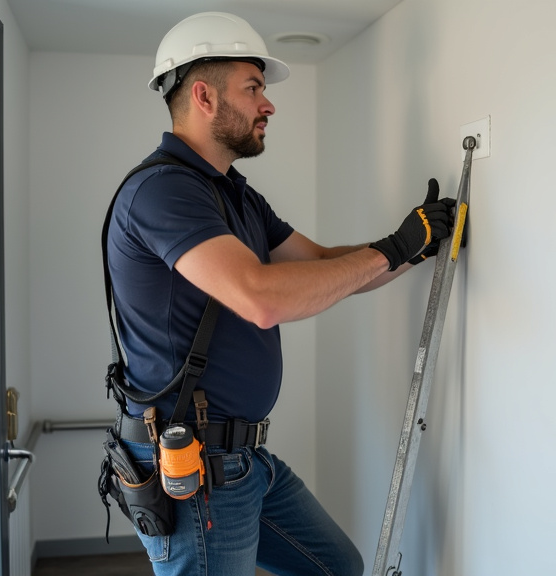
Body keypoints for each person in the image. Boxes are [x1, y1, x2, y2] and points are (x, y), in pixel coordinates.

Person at [102, 11, 455, 576]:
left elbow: (318, 266)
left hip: (242, 459)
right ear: (204, 96)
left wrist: (412, 244)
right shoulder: (162, 192)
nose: (269, 104)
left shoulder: (233, 195)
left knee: (336, 565)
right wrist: (393, 250)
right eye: (254, 87)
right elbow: (261, 297)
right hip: (198, 467)